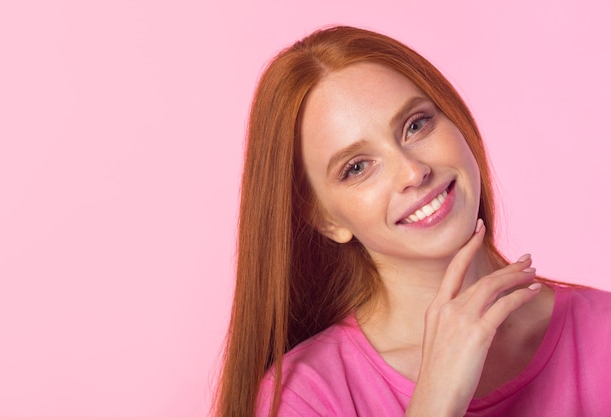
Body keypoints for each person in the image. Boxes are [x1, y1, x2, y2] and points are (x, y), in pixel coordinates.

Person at [214, 26, 611, 417]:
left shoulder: (602, 333)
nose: (412, 172)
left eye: (416, 125)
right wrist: (436, 402)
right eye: (356, 168)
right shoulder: (306, 399)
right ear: (325, 220)